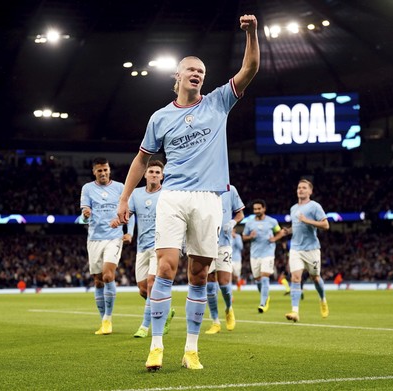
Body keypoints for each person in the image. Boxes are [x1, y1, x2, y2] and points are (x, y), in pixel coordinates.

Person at [114, 14, 259, 371]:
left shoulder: (218, 102)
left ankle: (191, 349)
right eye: (191, 70)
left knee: (198, 274)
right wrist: (123, 199)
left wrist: (252, 34)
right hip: (174, 195)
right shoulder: (160, 117)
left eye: (202, 72)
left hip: (209, 198)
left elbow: (251, 66)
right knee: (165, 266)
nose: (197, 75)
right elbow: (140, 159)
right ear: (176, 77)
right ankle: (157, 345)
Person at [80, 157, 132, 335]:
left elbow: (129, 212)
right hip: (94, 238)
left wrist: (128, 231)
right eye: (99, 170)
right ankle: (103, 320)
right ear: (94, 172)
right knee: (98, 280)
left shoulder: (120, 188)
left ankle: (108, 319)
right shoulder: (87, 188)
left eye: (105, 170)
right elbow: (83, 218)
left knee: (108, 276)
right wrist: (86, 215)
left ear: (109, 170)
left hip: (114, 238)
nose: (103, 173)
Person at [125, 160, 175, 338]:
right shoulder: (136, 194)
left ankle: (145, 326)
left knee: (152, 284)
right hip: (142, 246)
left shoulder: (167, 194)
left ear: (162, 175)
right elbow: (128, 214)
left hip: (160, 245)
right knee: (142, 289)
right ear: (145, 174)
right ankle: (166, 310)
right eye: (151, 172)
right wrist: (120, 224)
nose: (154, 174)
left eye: (157, 172)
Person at [280, 179, 330, 322]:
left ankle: (322, 299)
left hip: (312, 249)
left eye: (304, 188)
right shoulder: (293, 208)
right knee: (295, 278)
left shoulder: (314, 206)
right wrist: (288, 231)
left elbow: (326, 225)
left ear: (310, 191)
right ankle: (295, 311)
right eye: (299, 187)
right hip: (296, 248)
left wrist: (307, 221)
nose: (300, 190)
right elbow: (297, 226)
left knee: (315, 277)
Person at [204, 185, 245, 334]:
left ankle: (229, 309)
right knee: (209, 284)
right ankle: (215, 321)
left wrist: (233, 222)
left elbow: (240, 213)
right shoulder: (203, 188)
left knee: (224, 283)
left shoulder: (230, 189)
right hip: (206, 244)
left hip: (224, 244)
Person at [242, 199, 285, 313]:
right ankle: (265, 296)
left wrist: (274, 239)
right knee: (257, 280)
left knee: (265, 276)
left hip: (268, 253)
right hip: (255, 254)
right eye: (255, 209)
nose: (257, 211)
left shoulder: (272, 221)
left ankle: (262, 303)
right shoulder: (249, 223)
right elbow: (244, 236)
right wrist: (250, 237)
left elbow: (280, 232)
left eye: (259, 209)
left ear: (264, 209)